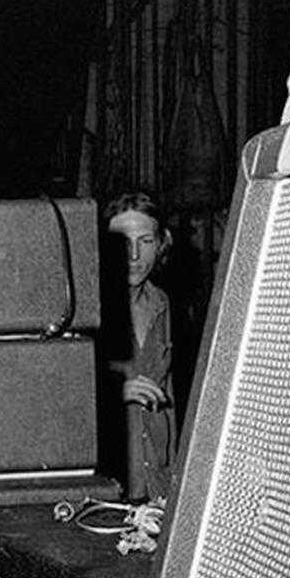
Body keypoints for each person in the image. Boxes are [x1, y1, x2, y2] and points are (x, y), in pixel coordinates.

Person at [104, 192, 176, 503]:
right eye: (122, 241)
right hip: (109, 486)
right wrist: (114, 392)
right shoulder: (86, 308)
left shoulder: (161, 303)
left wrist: (174, 478)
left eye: (145, 241)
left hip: (156, 484)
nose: (133, 255)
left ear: (162, 244)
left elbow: (168, 394)